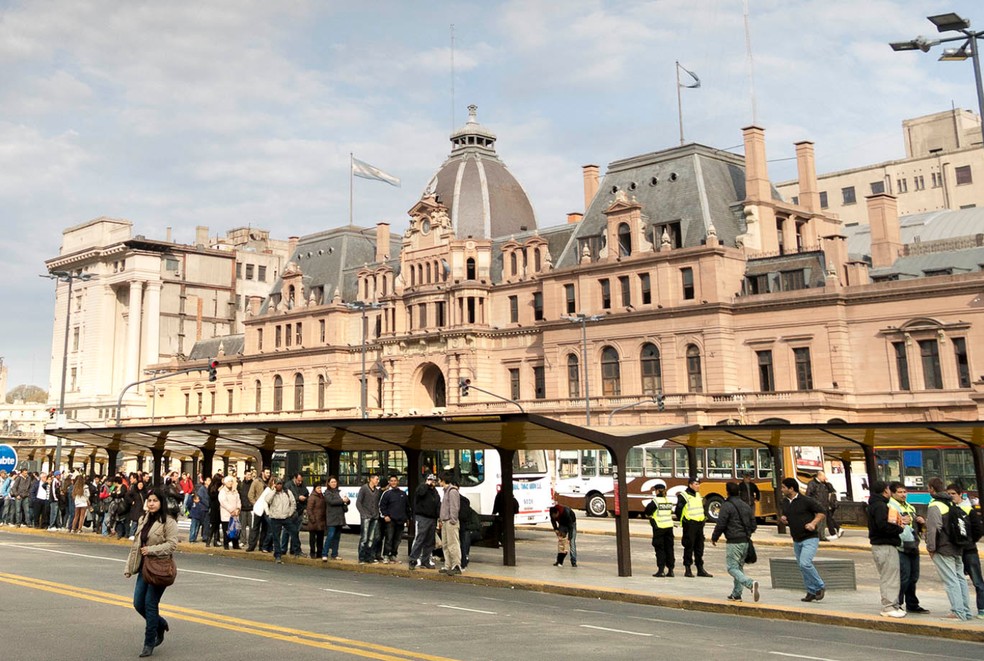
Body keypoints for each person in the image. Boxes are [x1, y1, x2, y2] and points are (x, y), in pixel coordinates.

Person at [124, 487, 178, 658]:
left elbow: (172, 544)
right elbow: (136, 547)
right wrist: (129, 568)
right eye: (150, 501)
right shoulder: (143, 519)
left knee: (150, 603)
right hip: (144, 567)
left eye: (155, 500)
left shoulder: (168, 521)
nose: (152, 503)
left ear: (161, 502)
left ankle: (149, 642)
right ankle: (160, 624)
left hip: (160, 568)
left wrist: (152, 550)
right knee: (138, 603)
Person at [926, 478, 973, 620]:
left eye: (928, 488)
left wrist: (931, 548)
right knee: (960, 579)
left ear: (932, 489)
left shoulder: (935, 505)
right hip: (957, 546)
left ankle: (957, 612)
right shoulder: (951, 502)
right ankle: (966, 610)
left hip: (943, 548)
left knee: (950, 580)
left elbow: (933, 529)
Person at [711, 481, 760, 602]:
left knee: (731, 568)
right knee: (739, 567)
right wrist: (747, 533)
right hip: (745, 541)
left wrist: (714, 537)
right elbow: (753, 524)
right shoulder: (745, 505)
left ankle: (750, 584)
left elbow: (721, 523)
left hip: (733, 541)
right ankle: (736, 594)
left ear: (727, 491)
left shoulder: (726, 506)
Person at [780, 477, 826, 602]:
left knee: (805, 563)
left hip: (809, 538)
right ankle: (811, 591)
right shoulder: (785, 502)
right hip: (796, 538)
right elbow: (786, 516)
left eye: (784, 487)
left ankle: (820, 586)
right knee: (802, 566)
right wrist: (784, 519)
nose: (782, 489)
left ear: (791, 488)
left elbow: (821, 512)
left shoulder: (806, 501)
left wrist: (813, 523)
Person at [867, 480, 906, 618]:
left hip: (881, 545)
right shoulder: (880, 506)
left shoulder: (875, 505)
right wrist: (899, 527)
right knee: (890, 577)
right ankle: (888, 607)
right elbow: (883, 526)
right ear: (885, 490)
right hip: (885, 545)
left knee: (889, 576)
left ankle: (893, 605)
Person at [888, 482, 929, 614]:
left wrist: (919, 520)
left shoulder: (909, 506)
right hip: (901, 545)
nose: (903, 494)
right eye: (900, 492)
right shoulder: (891, 506)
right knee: (904, 576)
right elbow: (893, 522)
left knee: (913, 576)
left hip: (913, 543)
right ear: (893, 493)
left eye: (904, 492)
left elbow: (912, 519)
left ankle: (912, 603)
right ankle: (897, 603)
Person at [949, 484, 984, 619]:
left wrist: (970, 541)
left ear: (960, 494)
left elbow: (978, 530)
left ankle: (982, 608)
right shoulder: (950, 509)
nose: (951, 496)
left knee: (977, 581)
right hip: (957, 550)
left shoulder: (969, 509)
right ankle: (961, 608)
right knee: (957, 580)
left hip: (969, 551)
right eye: (949, 494)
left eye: (953, 493)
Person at [674, 477, 712, 578]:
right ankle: (688, 569)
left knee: (699, 547)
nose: (698, 486)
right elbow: (678, 510)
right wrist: (684, 521)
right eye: (696, 484)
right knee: (689, 546)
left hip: (699, 525)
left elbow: (701, 508)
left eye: (699, 484)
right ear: (690, 485)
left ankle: (700, 569)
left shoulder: (698, 495)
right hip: (690, 525)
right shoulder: (684, 496)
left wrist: (704, 518)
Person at [409, 473, 440, 570]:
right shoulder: (422, 488)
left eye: (434, 481)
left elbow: (438, 504)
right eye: (430, 480)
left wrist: (438, 517)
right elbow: (420, 493)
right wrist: (426, 485)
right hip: (422, 517)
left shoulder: (435, 492)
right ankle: (413, 559)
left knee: (430, 541)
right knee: (420, 539)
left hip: (432, 518)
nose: (432, 482)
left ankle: (425, 560)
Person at [644, 480, 675, 577]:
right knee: (669, 549)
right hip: (669, 527)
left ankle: (661, 570)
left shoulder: (656, 501)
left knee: (660, 549)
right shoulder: (668, 501)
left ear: (657, 491)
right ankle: (671, 570)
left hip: (659, 528)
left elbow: (647, 511)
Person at [264, 477, 296, 564]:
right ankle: (278, 555)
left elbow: (293, 503)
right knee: (276, 537)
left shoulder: (287, 492)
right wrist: (274, 490)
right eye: (277, 484)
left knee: (294, 532)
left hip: (285, 517)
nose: (279, 486)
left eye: (280, 484)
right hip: (275, 518)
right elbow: (267, 500)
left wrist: (290, 513)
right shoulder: (272, 493)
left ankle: (297, 550)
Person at [379, 474, 409, 563]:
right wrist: (385, 515)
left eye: (395, 481)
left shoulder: (403, 494)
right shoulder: (387, 493)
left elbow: (407, 507)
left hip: (401, 521)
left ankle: (393, 555)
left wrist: (407, 519)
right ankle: (386, 555)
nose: (393, 482)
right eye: (391, 481)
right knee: (389, 538)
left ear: (397, 482)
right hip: (390, 521)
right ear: (389, 482)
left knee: (397, 540)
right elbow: (381, 506)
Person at [438, 472, 462, 576]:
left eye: (440, 480)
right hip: (445, 521)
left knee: (453, 544)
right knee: (446, 544)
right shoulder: (446, 491)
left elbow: (454, 507)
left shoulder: (452, 491)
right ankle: (448, 565)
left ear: (443, 480)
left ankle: (456, 565)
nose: (439, 482)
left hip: (450, 522)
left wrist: (452, 520)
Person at [356, 474, 382, 564]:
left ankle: (369, 557)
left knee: (372, 538)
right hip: (366, 517)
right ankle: (361, 557)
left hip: (374, 517)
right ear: (371, 479)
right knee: (364, 538)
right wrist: (364, 514)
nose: (377, 481)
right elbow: (358, 503)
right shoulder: (364, 489)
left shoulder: (377, 491)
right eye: (376, 479)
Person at [806, 471, 838, 541]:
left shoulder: (823, 484)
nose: (825, 478)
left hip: (824, 506)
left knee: (823, 522)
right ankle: (818, 536)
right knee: (818, 521)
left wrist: (826, 483)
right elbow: (808, 494)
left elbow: (832, 490)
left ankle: (821, 536)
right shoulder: (812, 483)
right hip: (817, 506)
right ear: (819, 476)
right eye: (823, 476)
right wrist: (813, 503)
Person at [323, 476, 349, 560]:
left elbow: (346, 500)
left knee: (337, 537)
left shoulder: (340, 492)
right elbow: (331, 502)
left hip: (340, 517)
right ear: (328, 483)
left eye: (335, 482)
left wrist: (347, 500)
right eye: (332, 482)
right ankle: (325, 553)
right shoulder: (327, 493)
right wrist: (342, 500)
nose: (334, 483)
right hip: (332, 518)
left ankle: (335, 553)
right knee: (330, 536)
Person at [284, 472, 308, 557]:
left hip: (299, 511)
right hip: (290, 512)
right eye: (298, 480)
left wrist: (304, 501)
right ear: (294, 478)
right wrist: (298, 498)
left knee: (296, 532)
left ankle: (293, 549)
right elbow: (287, 497)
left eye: (301, 481)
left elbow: (306, 493)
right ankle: (283, 549)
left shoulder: (302, 486)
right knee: (287, 531)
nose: (300, 482)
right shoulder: (288, 485)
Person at [549, 501, 578, 567]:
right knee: (561, 541)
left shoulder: (565, 513)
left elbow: (570, 527)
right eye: (553, 517)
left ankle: (573, 561)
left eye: (555, 516)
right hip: (562, 523)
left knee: (572, 542)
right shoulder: (552, 512)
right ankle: (559, 561)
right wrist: (556, 529)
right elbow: (553, 521)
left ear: (557, 513)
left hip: (571, 523)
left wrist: (569, 538)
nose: (554, 518)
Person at [218, 475, 242, 550]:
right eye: (229, 481)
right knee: (227, 531)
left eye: (231, 481)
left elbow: (238, 501)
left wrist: (238, 509)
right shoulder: (222, 492)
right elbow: (223, 502)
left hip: (235, 514)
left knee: (236, 529)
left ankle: (235, 544)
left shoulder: (235, 491)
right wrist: (232, 510)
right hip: (226, 514)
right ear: (225, 482)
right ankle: (226, 544)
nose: (230, 483)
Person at [304, 483, 326, 559]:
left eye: (320, 488)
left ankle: (319, 552)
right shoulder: (312, 497)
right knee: (312, 539)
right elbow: (309, 509)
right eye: (318, 488)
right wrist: (313, 519)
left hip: (321, 522)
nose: (320, 489)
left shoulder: (322, 497)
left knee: (320, 538)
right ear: (314, 489)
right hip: (314, 522)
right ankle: (312, 552)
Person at [205, 473, 223, 547]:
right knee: (214, 525)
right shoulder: (212, 487)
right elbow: (212, 496)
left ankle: (216, 541)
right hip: (214, 507)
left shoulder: (220, 486)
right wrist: (218, 491)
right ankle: (208, 540)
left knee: (217, 526)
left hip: (219, 507)